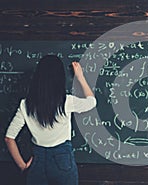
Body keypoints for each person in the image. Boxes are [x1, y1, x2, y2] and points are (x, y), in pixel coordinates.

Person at [4, 55, 97, 185]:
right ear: (60, 78)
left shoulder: (25, 105)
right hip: (62, 159)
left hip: (38, 159)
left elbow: (9, 138)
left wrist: (22, 166)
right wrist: (80, 77)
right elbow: (91, 102)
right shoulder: (66, 101)